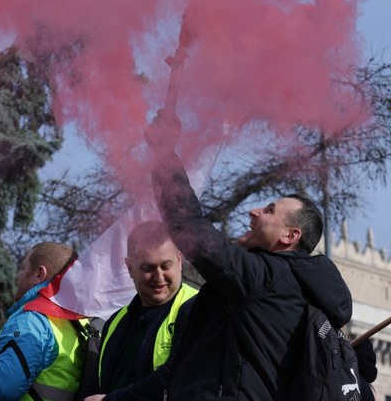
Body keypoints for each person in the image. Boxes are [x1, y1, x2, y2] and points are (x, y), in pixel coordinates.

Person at [145, 114, 356, 400]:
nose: (254, 212)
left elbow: (188, 227)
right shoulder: (296, 290)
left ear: (290, 236)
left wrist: (164, 156)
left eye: (269, 210)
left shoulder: (265, 279)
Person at [0, 242, 87, 401]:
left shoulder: (33, 320)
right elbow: (12, 361)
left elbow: (2, 384)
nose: (17, 276)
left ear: (39, 274)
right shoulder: (79, 323)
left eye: (23, 268)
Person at [80, 220, 198, 401]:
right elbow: (96, 382)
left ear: (180, 260)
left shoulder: (198, 308)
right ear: (129, 268)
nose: (159, 276)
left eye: (166, 266)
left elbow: (174, 377)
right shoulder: (115, 321)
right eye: (148, 268)